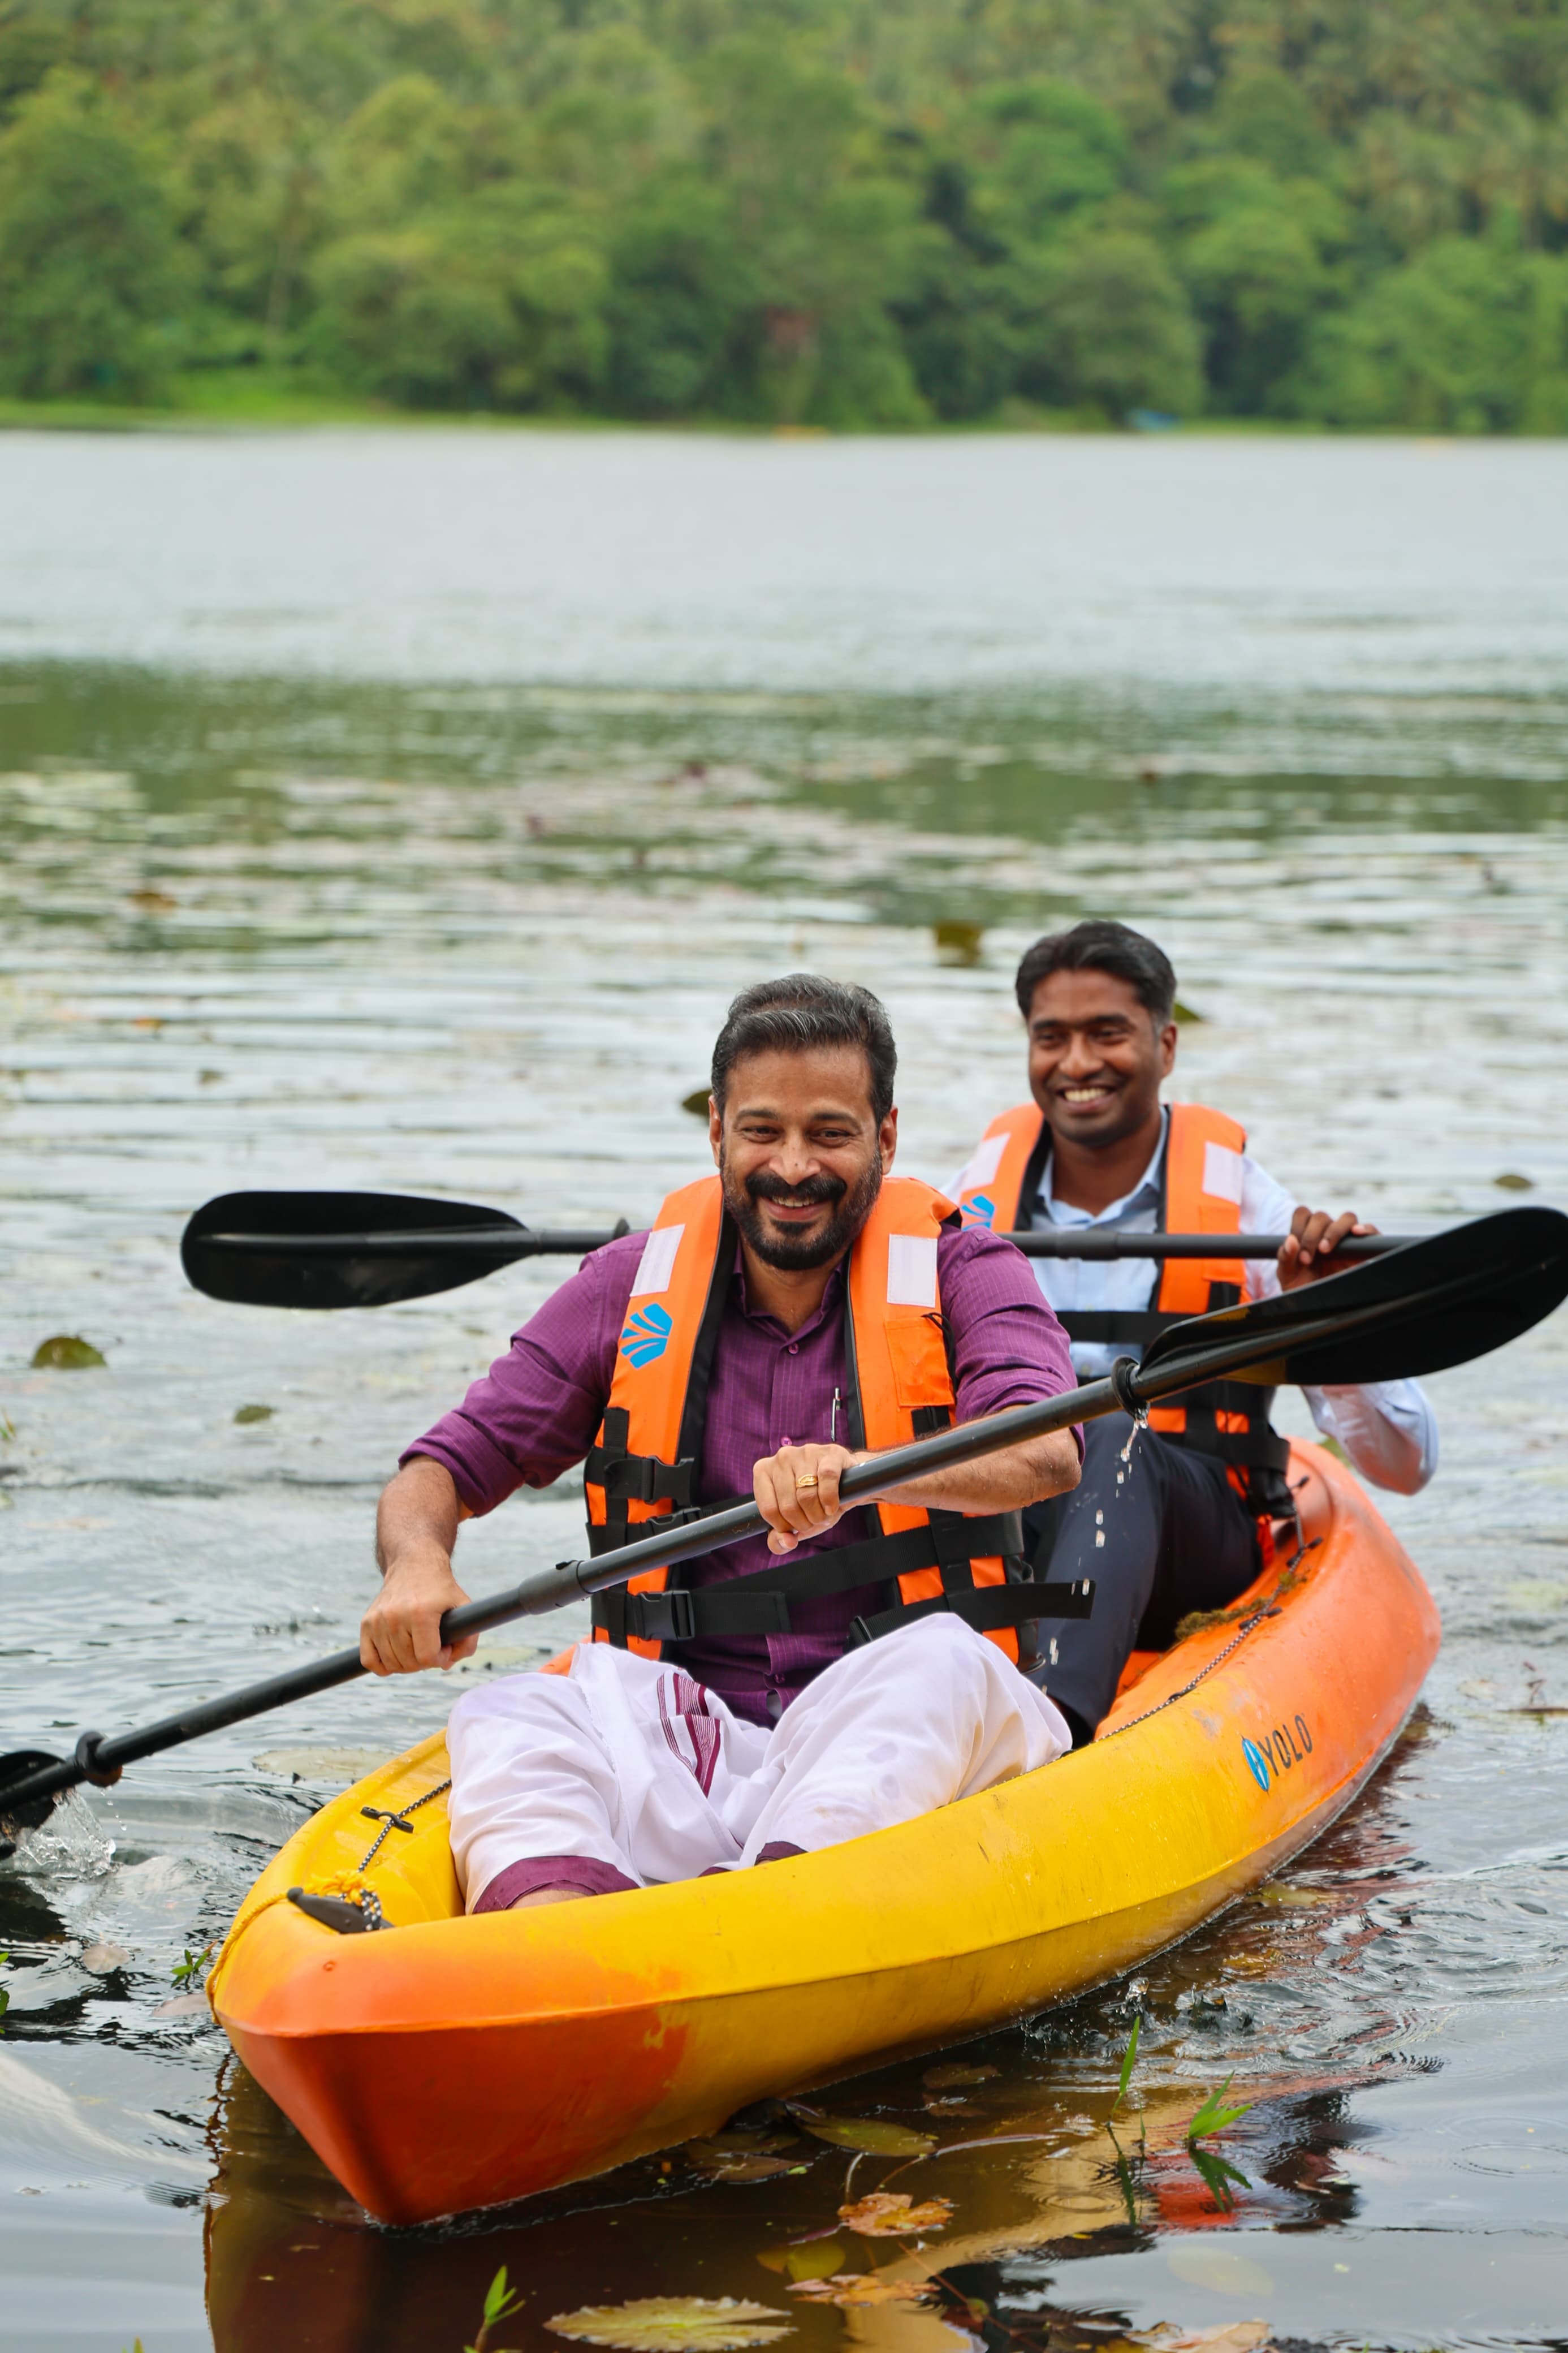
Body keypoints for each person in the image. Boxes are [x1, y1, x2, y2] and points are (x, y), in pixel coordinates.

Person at [362, 975, 1085, 1911]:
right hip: (690, 1730)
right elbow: (440, 1469)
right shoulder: (628, 1285)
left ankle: (768, 1924)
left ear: (886, 1138)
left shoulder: (967, 1271)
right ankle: (548, 1943)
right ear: (716, 1132)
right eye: (761, 1132)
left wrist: (862, 1475)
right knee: (507, 1706)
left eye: (829, 1133)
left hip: (894, 1722)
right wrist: (416, 1566)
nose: (792, 1168)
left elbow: (1047, 1453)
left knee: (944, 1663)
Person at [948, 919, 1437, 1748]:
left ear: (1165, 1045)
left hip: (1196, 1527)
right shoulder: (969, 1203)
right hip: (1023, 1522)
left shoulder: (1251, 1213)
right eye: (1051, 1038)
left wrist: (1319, 1320)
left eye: (1107, 1034)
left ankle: (1051, 1729)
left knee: (1110, 1432)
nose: (1076, 1065)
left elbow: (1405, 1462)